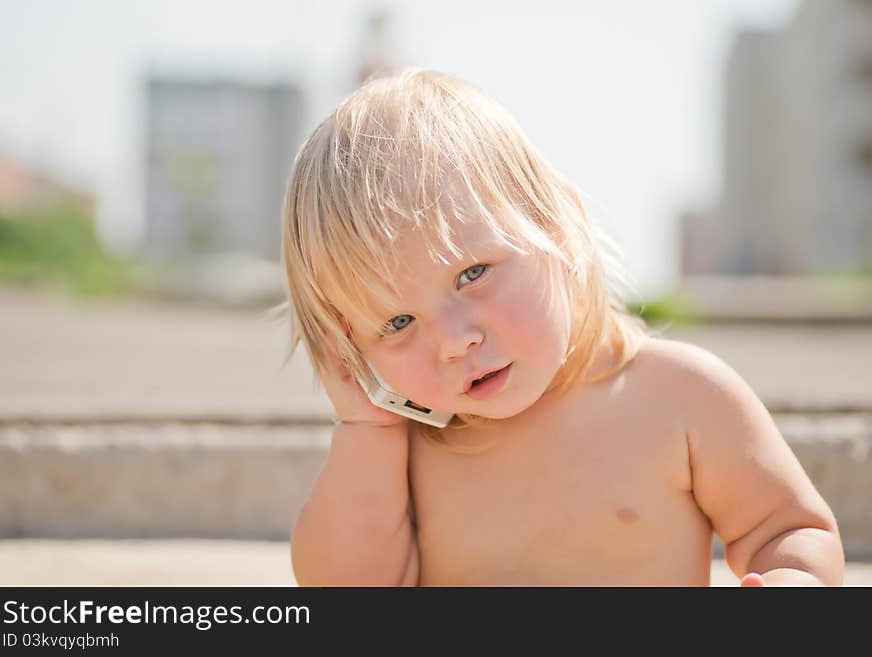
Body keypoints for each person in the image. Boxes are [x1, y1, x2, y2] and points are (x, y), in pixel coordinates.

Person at [280, 68, 844, 586]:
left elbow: (786, 530)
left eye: (473, 273)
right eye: (398, 322)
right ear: (348, 347)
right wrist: (365, 429)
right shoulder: (405, 452)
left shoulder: (679, 396)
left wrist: (796, 583)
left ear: (562, 228)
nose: (455, 341)